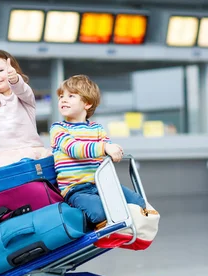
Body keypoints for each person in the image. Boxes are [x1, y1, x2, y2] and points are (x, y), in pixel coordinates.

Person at [50, 75, 145, 228]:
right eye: (61, 96)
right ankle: (105, 227)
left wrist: (114, 149)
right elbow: (74, 149)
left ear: (87, 103)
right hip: (76, 189)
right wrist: (104, 148)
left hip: (102, 185)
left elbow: (109, 146)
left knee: (138, 203)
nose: (63, 99)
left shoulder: (97, 128)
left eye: (71, 96)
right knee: (99, 212)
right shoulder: (58, 128)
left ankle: (128, 227)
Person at [0, 49, 51, 170]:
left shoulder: (24, 94)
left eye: (1, 70)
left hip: (29, 151)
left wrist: (14, 79)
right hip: (1, 157)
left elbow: (20, 87)